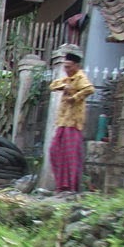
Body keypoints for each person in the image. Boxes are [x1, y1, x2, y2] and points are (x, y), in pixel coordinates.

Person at [48, 52, 94, 193]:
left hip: (73, 122)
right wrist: (64, 86)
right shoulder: (67, 79)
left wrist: (75, 97)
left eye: (69, 67)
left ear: (76, 66)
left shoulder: (80, 77)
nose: (66, 70)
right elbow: (52, 86)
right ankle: (61, 185)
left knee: (71, 155)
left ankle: (71, 187)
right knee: (55, 151)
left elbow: (90, 89)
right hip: (63, 120)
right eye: (65, 67)